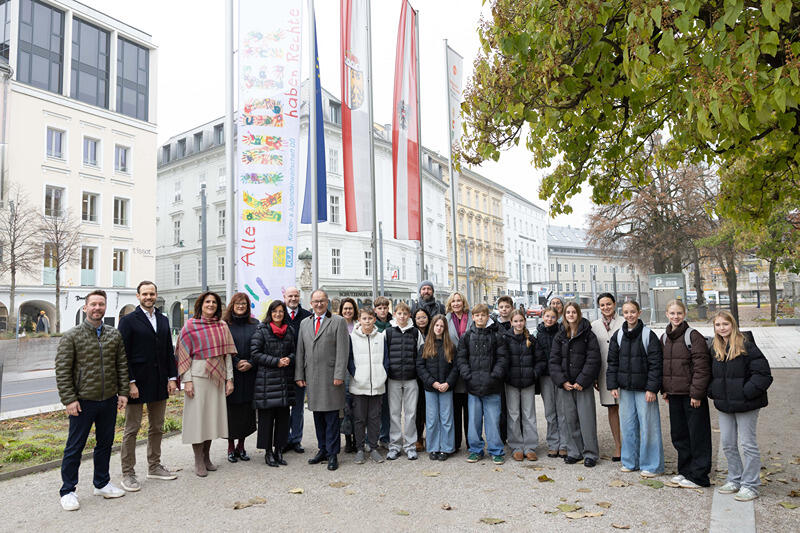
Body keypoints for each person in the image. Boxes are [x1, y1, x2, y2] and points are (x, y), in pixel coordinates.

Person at [56, 290, 129, 511]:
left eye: (101, 304)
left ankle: (102, 483)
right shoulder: (72, 336)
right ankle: (68, 491)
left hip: (108, 400)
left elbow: (121, 366)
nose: (97, 308)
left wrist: (123, 393)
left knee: (105, 444)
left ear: (105, 307)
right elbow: (62, 370)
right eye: (94, 304)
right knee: (75, 447)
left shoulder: (114, 335)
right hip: (82, 401)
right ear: (85, 307)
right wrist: (69, 399)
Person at [118, 281, 178, 493]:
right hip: (137, 383)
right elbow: (122, 354)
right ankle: (128, 473)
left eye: (152, 293)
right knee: (132, 429)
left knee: (157, 427)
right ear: (138, 296)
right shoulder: (128, 321)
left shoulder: (163, 319)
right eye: (144, 294)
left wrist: (172, 378)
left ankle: (154, 466)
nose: (148, 297)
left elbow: (168, 351)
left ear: (156, 295)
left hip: (159, 381)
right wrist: (130, 382)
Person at [709, 310, 772, 502]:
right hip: (725, 404)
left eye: (725, 324)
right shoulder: (715, 348)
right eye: (718, 325)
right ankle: (734, 479)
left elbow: (763, 374)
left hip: (747, 403)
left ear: (733, 325)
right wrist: (714, 391)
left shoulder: (747, 345)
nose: (722, 328)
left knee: (747, 444)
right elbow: (711, 375)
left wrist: (746, 392)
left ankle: (750, 484)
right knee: (728, 443)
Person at [176, 292, 236, 477]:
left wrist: (230, 379)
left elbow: (227, 355)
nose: (211, 305)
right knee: (198, 421)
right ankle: (198, 460)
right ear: (200, 305)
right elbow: (183, 355)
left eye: (214, 302)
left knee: (211, 419)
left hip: (217, 377)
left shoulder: (222, 326)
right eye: (207, 302)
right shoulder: (190, 325)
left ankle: (207, 456)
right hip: (197, 377)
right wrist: (187, 381)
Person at [607, 300, 664, 478]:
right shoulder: (618, 335)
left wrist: (652, 388)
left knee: (649, 427)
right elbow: (612, 362)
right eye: (626, 312)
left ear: (639, 313)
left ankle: (652, 465)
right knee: (628, 426)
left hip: (644, 389)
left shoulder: (648, 335)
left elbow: (656, 364)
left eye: (633, 312)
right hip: (625, 388)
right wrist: (612, 385)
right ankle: (630, 461)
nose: (629, 315)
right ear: (622, 314)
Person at [295, 289, 350, 471]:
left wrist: (339, 374)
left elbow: (343, 351)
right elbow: (300, 351)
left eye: (322, 301)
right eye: (315, 301)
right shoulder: (304, 323)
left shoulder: (338, 321)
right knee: (318, 416)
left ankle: (333, 453)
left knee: (332, 417)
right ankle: (323, 449)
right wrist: (299, 375)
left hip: (332, 377)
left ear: (327, 302)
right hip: (312, 377)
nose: (319, 304)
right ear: (311, 304)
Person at [661, 299, 712, 489]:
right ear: (667, 314)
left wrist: (697, 394)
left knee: (698, 435)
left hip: (692, 395)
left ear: (684, 314)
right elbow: (664, 366)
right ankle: (685, 471)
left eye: (679, 313)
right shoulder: (664, 337)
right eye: (672, 313)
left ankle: (699, 476)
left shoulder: (693, 336)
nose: (676, 317)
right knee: (680, 435)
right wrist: (664, 389)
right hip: (674, 394)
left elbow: (701, 367)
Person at [550, 302, 601, 467]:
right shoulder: (560, 336)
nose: (570, 315)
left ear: (578, 314)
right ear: (564, 315)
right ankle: (574, 451)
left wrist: (582, 381)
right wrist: (562, 381)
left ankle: (590, 453)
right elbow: (554, 361)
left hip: (582, 385)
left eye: (573, 312)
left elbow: (593, 359)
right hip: (566, 384)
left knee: (587, 420)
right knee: (570, 419)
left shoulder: (588, 335)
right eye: (568, 312)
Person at [457, 303, 509, 465]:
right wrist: (468, 376)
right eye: (477, 315)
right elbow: (461, 359)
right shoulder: (466, 337)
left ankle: (496, 450)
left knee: (493, 421)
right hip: (473, 386)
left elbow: (502, 359)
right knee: (474, 421)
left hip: (492, 386)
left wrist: (494, 376)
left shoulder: (496, 336)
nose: (480, 318)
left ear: (488, 317)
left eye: (483, 315)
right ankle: (475, 450)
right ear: (473, 317)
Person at [250, 300, 296, 467]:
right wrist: (276, 361)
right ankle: (268, 452)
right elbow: (255, 353)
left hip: (285, 381)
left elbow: (294, 351)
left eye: (281, 311)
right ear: (270, 313)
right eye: (275, 311)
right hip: (266, 381)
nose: (278, 314)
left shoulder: (289, 330)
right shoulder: (262, 330)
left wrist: (289, 359)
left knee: (283, 419)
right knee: (266, 420)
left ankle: (279, 451)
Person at [504, 309, 547, 461]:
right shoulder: (505, 339)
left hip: (528, 382)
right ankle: (516, 446)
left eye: (521, 320)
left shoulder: (531, 339)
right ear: (511, 322)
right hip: (511, 382)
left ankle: (530, 446)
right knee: (513, 414)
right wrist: (507, 375)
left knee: (529, 414)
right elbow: (502, 360)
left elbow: (541, 360)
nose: (518, 324)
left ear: (525, 321)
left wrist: (534, 374)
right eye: (515, 321)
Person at [348, 307, 389, 464]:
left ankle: (373, 447)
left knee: (374, 418)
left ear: (374, 320)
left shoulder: (381, 337)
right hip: (359, 385)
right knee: (359, 419)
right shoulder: (352, 337)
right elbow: (350, 359)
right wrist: (356, 375)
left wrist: (383, 374)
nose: (367, 321)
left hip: (377, 384)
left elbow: (386, 359)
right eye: (364, 318)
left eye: (370, 318)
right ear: (359, 320)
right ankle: (360, 448)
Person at [385, 302, 424, 460]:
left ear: (409, 316)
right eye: (399, 313)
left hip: (411, 378)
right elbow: (384, 354)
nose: (402, 316)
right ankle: (394, 446)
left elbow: (420, 353)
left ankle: (410, 445)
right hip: (393, 378)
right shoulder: (388, 332)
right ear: (394, 314)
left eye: (405, 314)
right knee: (394, 413)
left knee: (411, 413)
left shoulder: (415, 332)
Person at [416, 314, 459, 461]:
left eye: (441, 326)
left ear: (445, 328)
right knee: (432, 418)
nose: (439, 328)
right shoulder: (425, 347)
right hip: (431, 388)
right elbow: (420, 367)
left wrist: (448, 383)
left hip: (446, 387)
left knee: (446, 418)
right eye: (436, 325)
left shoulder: (450, 347)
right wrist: (432, 383)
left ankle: (446, 448)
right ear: (432, 327)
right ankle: (433, 447)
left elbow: (456, 368)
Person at [222, 293, 258, 463]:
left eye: (244, 303)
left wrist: (251, 362)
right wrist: (236, 362)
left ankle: (241, 446)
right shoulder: (225, 325)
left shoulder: (255, 324)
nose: (241, 306)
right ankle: (230, 447)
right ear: (232, 305)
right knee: (231, 412)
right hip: (232, 374)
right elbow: (223, 348)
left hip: (250, 373)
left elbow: (260, 347)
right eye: (238, 303)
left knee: (246, 412)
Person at [590, 292, 625, 462]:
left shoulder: (624, 321)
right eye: (602, 305)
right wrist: (595, 377)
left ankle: (632, 445)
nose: (606, 307)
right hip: (604, 372)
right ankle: (618, 446)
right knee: (612, 408)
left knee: (628, 409)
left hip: (624, 372)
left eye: (608, 304)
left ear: (614, 304)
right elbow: (593, 352)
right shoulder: (594, 326)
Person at [535, 307, 568, 458]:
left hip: (560, 375)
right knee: (550, 411)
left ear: (557, 318)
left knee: (562, 411)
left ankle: (564, 444)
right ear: (543, 316)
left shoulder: (561, 332)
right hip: (545, 376)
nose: (549, 319)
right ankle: (553, 443)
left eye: (553, 317)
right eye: (547, 316)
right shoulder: (538, 334)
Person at [284, 287, 312, 454]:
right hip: (282, 368)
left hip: (300, 368)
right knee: (282, 407)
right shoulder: (279, 314)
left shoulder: (307, 316)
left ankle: (296, 439)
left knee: (298, 407)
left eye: (296, 296)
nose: (293, 299)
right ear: (284, 297)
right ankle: (283, 439)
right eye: (290, 296)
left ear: (299, 297)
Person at [446, 291, 472, 452]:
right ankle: (455, 443)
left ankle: (471, 442)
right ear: (450, 304)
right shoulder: (446, 319)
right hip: (453, 368)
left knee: (470, 410)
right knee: (455, 410)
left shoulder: (472, 318)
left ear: (463, 302)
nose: (456, 303)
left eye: (459, 300)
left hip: (470, 367)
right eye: (453, 301)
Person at [339, 298, 359, 453]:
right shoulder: (337, 325)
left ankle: (358, 438)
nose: (348, 311)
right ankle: (348, 439)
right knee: (346, 407)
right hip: (343, 369)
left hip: (358, 369)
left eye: (350, 308)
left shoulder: (359, 325)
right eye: (345, 308)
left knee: (357, 406)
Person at [373, 296, 393, 448]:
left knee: (386, 406)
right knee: (373, 407)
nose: (383, 311)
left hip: (390, 369)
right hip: (375, 368)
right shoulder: (372, 325)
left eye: (385, 308)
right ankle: (372, 437)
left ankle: (385, 436)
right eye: (380, 308)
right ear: (375, 310)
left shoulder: (393, 324)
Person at [412, 308, 430, 451]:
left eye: (424, 317)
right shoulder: (412, 333)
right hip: (416, 375)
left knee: (429, 409)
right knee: (418, 408)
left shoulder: (433, 331)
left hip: (431, 375)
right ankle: (418, 437)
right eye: (418, 318)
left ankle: (431, 437)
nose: (421, 320)